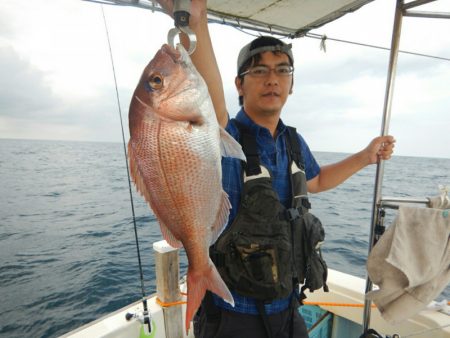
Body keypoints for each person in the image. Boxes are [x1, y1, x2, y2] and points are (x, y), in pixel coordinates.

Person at [156, 1, 396, 337]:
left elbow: (317, 180)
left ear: (292, 84)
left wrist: (366, 156)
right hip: (231, 314)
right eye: (259, 71)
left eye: (282, 70)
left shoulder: (293, 141)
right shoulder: (225, 134)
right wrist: (196, 23)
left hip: (286, 309)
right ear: (239, 85)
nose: (273, 79)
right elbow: (209, 99)